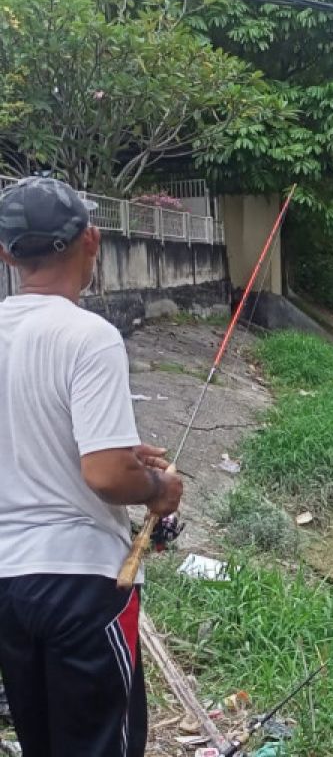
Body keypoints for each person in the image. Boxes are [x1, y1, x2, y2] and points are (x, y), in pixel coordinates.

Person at [0, 177, 184, 757]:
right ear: (92, 241)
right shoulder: (89, 337)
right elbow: (106, 478)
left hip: (7, 583)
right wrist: (159, 487)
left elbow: (37, 439)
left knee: (44, 743)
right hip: (82, 588)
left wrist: (124, 455)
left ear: (6, 253)